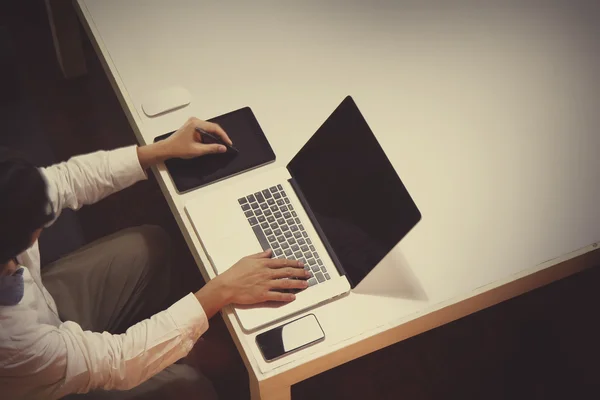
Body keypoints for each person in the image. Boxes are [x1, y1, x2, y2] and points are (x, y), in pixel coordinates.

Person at [0, 117, 310, 400]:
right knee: (191, 389)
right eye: (36, 225)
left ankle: (168, 345)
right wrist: (222, 290)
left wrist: (159, 150)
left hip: (46, 317)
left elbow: (63, 180)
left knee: (149, 244)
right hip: (41, 382)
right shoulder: (14, 343)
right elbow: (116, 361)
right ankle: (176, 354)